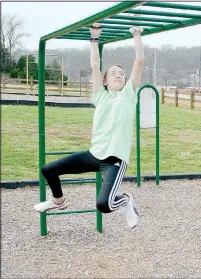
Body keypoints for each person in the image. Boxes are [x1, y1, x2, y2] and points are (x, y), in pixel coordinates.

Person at [33, 23, 145, 228]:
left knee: (104, 205)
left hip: (114, 161)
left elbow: (139, 61)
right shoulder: (100, 96)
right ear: (105, 80)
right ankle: (58, 202)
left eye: (121, 73)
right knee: (48, 169)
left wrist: (136, 35)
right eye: (113, 73)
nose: (118, 75)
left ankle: (127, 201)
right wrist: (94, 38)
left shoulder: (129, 95)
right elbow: (95, 64)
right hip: (94, 155)